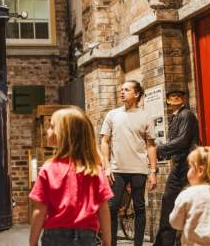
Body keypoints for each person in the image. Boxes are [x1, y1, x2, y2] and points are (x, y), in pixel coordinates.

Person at [29, 107, 113, 246]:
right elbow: (103, 208)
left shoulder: (49, 168)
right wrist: (107, 242)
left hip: (54, 236)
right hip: (87, 236)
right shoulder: (94, 170)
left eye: (51, 126)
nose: (47, 131)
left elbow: (40, 210)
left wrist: (33, 242)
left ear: (63, 134)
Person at [100, 80, 157, 246]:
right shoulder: (112, 115)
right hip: (116, 169)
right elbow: (104, 141)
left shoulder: (145, 116)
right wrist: (107, 166)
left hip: (139, 169)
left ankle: (138, 244)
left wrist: (152, 171)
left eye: (126, 89)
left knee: (139, 207)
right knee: (112, 207)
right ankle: (111, 243)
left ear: (136, 94)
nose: (122, 92)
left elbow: (151, 145)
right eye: (121, 89)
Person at [153, 90, 199, 246]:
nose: (176, 98)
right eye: (172, 96)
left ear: (185, 99)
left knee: (176, 204)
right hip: (179, 166)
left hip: (187, 167)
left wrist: (159, 150)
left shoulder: (186, 115)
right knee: (169, 202)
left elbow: (182, 141)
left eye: (180, 96)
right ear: (167, 101)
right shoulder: (175, 117)